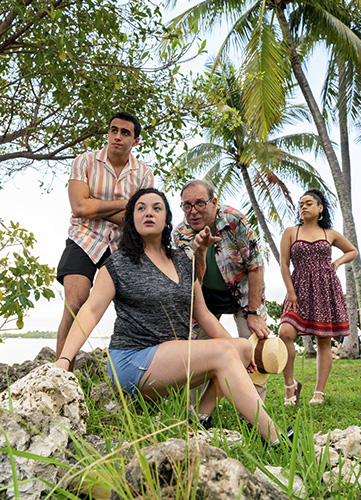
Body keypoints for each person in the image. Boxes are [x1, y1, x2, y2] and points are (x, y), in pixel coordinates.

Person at [55, 188, 285, 445]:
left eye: (156, 208)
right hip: (132, 359)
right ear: (132, 219)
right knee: (225, 353)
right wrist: (65, 358)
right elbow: (90, 311)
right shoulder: (118, 264)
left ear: (167, 220)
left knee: (242, 347)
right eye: (140, 208)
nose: (149, 213)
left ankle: (200, 417)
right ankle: (275, 439)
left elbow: (205, 316)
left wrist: (239, 353)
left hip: (170, 357)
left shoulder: (183, 262)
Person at [56, 112, 154, 369]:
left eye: (125, 133)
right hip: (84, 238)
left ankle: (136, 373)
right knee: (75, 303)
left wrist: (96, 206)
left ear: (136, 140)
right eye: (114, 130)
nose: (117, 137)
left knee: (135, 308)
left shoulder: (144, 174)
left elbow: (138, 221)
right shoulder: (84, 161)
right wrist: (127, 204)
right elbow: (79, 207)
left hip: (123, 245)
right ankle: (61, 372)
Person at [174, 180, 270, 402]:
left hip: (244, 295)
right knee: (192, 350)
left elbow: (255, 266)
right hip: (206, 298)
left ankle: (255, 415)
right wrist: (201, 250)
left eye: (200, 203)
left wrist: (254, 313)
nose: (193, 211)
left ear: (214, 202)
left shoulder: (235, 220)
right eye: (187, 205)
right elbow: (195, 278)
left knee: (253, 347)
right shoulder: (181, 233)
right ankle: (194, 413)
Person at [279, 188, 357, 405]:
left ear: (320, 208)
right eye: (301, 203)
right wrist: (291, 292)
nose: (303, 206)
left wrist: (337, 263)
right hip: (298, 289)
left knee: (324, 341)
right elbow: (284, 264)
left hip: (325, 289)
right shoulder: (291, 232)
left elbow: (352, 251)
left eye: (308, 203)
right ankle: (290, 388)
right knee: (285, 332)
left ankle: (319, 393)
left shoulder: (329, 234)